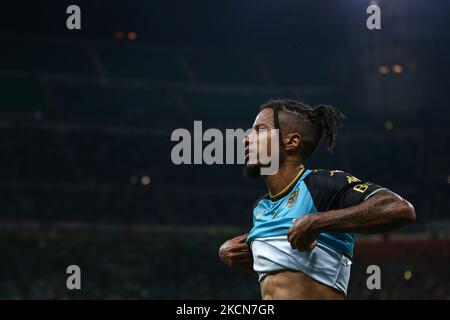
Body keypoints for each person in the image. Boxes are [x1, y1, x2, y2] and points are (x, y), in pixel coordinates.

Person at [219, 99, 416, 299]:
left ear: (291, 141)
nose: (246, 138)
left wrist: (316, 222)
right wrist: (240, 257)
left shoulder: (320, 185)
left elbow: (400, 209)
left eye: (259, 130)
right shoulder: (261, 207)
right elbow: (292, 272)